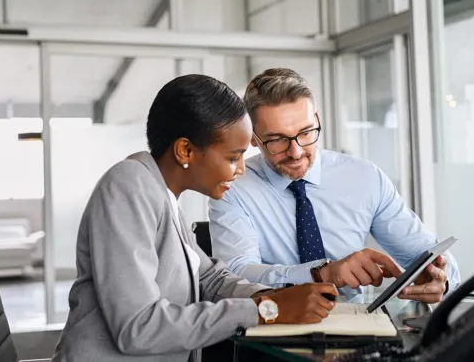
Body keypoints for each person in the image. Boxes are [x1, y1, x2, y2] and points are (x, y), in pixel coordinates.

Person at [52, 74, 338, 362]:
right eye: (232, 157)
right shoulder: (129, 186)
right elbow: (138, 327)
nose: (240, 169)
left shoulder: (162, 194)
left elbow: (209, 277)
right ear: (185, 150)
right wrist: (266, 310)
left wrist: (270, 297)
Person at [208, 68, 460, 304]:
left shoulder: (364, 177)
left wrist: (440, 278)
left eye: (306, 132)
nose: (295, 152)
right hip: (274, 332)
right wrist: (320, 274)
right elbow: (236, 275)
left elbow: (428, 254)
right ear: (253, 137)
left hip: (361, 330)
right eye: (277, 140)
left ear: (316, 118)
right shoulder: (233, 187)